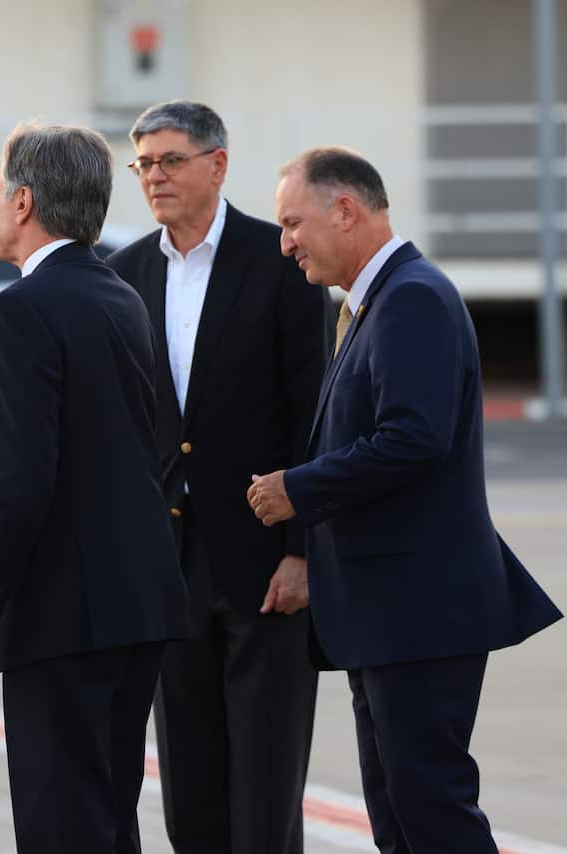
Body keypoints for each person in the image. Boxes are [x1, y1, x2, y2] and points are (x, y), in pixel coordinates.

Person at [250, 146, 562, 852]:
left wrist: (298, 491)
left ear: (347, 211)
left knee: (432, 813)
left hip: (419, 614)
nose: (285, 242)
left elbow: (414, 440)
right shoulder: (375, 305)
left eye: (293, 222)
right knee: (399, 817)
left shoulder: (412, 297)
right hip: (385, 615)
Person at [0, 122, 188, 854]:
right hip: (135, 603)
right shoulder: (119, 295)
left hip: (66, 617)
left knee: (60, 827)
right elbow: (96, 454)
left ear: (22, 202)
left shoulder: (21, 309)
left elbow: (30, 483)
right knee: (106, 819)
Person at [103, 100, 329, 854]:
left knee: (265, 791)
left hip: (267, 562)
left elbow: (312, 414)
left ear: (218, 164)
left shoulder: (285, 261)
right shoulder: (124, 273)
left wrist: (302, 548)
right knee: (191, 789)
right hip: (169, 566)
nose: (154, 176)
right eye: (143, 164)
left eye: (170, 160)